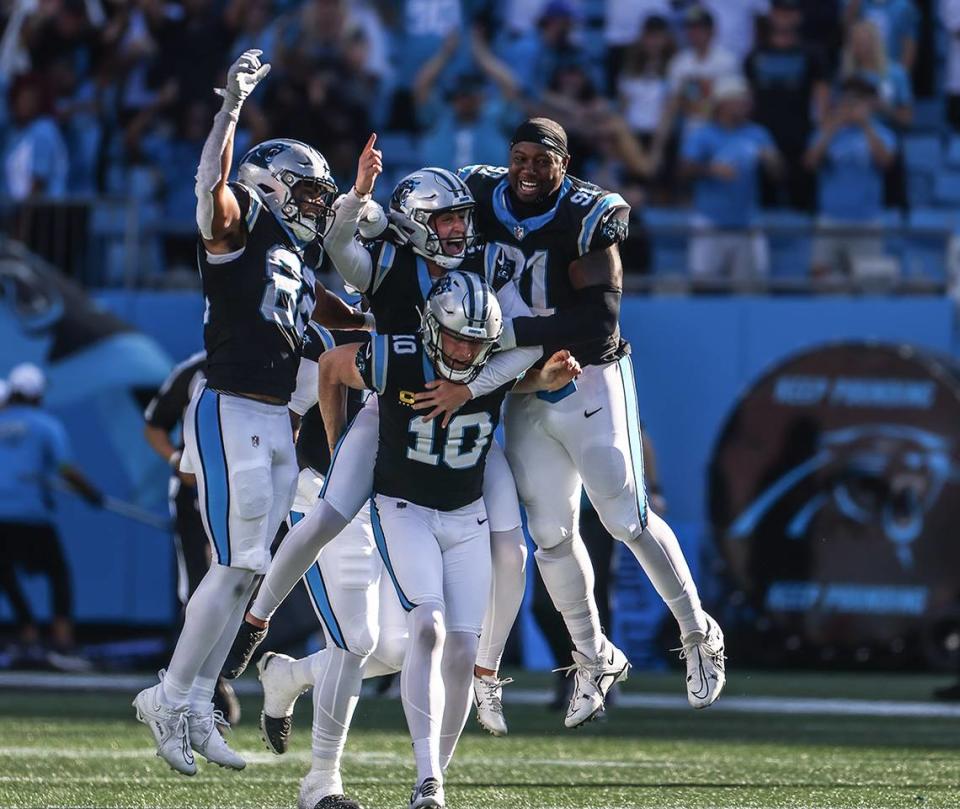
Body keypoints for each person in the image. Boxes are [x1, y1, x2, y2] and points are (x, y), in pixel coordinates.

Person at [221, 146, 559, 740]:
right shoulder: (388, 265)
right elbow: (338, 259)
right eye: (446, 219)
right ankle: (255, 621)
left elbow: (523, 343)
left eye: (461, 217)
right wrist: (357, 195)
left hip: (467, 428)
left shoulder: (482, 272)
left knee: (507, 555)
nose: (459, 229)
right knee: (328, 513)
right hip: (390, 411)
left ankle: (486, 670)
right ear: (413, 223)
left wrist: (480, 385)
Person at [413, 118, 726, 729]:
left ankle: (697, 632)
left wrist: (509, 330)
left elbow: (600, 323)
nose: (528, 170)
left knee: (625, 518)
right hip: (525, 389)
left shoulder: (587, 214)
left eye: (542, 160)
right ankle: (592, 657)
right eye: (519, 157)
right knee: (552, 537)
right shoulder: (477, 193)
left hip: (590, 381)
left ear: (564, 163)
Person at [132, 49, 371, 776]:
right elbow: (211, 190)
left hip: (276, 421)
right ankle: (167, 695)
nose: (313, 203)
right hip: (230, 405)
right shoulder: (241, 227)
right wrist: (229, 110)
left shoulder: (298, 260)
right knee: (235, 561)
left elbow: (356, 317)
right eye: (305, 190)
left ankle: (199, 697)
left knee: (249, 570)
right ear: (271, 184)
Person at [314, 272, 578, 809]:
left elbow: (522, 371)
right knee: (423, 629)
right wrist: (337, 443)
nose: (463, 350)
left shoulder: (493, 366)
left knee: (461, 641)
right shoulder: (402, 357)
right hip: (403, 506)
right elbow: (333, 366)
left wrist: (546, 376)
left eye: (476, 342)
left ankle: (431, 781)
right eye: (455, 337)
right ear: (433, 326)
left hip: (465, 514)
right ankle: (425, 775)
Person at [142, 351, 240, 725]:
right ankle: (194, 688)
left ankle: (210, 679)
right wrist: (175, 461)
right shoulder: (193, 371)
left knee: (241, 584)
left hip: (245, 491)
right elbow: (153, 425)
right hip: (197, 494)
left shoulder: (268, 359)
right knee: (199, 587)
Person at [0, 363, 103, 666]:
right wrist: (91, 494)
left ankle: (28, 632)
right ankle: (62, 640)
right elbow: (65, 468)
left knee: (5, 573)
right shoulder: (45, 425)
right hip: (30, 513)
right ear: (35, 394)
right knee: (57, 573)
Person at [680, 74, 782, 284]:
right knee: (704, 283)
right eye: (738, 100)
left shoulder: (758, 134)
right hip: (710, 221)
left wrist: (772, 161)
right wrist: (711, 170)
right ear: (722, 104)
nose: (745, 105)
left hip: (747, 221)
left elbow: (780, 175)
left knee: (752, 285)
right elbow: (684, 170)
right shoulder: (703, 134)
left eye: (746, 101)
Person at [804, 76, 896, 278]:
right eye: (847, 102)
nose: (851, 107)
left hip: (867, 220)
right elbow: (810, 163)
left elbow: (885, 162)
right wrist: (833, 127)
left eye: (857, 103)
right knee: (822, 279)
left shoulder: (883, 134)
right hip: (830, 219)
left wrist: (866, 126)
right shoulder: (825, 132)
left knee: (868, 283)